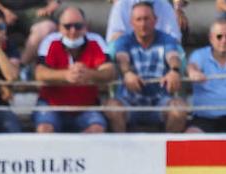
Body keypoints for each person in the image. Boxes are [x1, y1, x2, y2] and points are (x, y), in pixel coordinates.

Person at [107, 0, 187, 132]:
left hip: (160, 100)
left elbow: (172, 55)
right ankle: (120, 150)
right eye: (138, 19)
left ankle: (166, 149)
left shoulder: (166, 39)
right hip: (129, 101)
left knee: (179, 109)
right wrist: (127, 73)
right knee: (112, 107)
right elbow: (122, 57)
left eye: (147, 19)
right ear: (131, 23)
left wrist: (174, 70)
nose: (143, 24)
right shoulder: (124, 40)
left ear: (155, 20)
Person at [33, 5, 115, 133]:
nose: (73, 31)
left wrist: (90, 74)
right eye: (67, 26)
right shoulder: (50, 41)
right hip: (52, 105)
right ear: (59, 27)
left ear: (85, 26)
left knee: (97, 129)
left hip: (86, 107)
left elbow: (109, 72)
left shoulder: (96, 40)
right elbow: (40, 73)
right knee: (44, 129)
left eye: (78, 26)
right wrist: (65, 75)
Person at [106, 0, 181, 43]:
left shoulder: (165, 5)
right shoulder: (121, 5)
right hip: (128, 52)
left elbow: (175, 38)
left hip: (160, 51)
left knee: (177, 51)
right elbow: (113, 39)